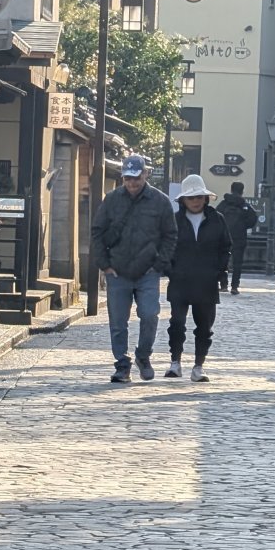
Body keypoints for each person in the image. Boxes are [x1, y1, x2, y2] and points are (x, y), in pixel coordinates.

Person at [91, 154, 177, 383]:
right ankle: (122, 365)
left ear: (145, 174)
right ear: (123, 178)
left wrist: (159, 264)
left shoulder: (160, 201)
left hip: (148, 272)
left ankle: (143, 355)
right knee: (118, 322)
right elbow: (97, 232)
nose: (132, 183)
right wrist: (104, 265)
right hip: (117, 271)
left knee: (150, 315)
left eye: (136, 178)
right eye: (128, 178)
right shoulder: (111, 200)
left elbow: (170, 235)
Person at [164, 174, 232, 381]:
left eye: (199, 197)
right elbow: (166, 246)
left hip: (206, 281)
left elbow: (225, 247)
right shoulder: (174, 220)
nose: (195, 201)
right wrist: (170, 269)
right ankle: (175, 362)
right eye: (191, 198)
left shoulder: (217, 219)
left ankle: (198, 366)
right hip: (180, 280)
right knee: (177, 324)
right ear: (183, 200)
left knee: (204, 327)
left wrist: (219, 271)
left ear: (205, 198)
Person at [216, 180, 258, 294]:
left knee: (223, 261)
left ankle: (223, 285)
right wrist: (243, 226)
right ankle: (234, 286)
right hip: (239, 237)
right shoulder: (245, 206)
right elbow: (253, 219)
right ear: (242, 191)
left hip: (224, 237)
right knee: (237, 263)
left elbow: (216, 216)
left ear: (231, 189)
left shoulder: (224, 204)